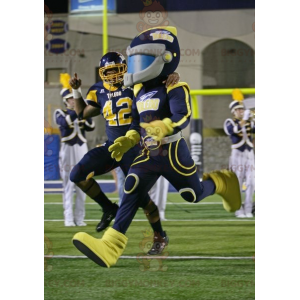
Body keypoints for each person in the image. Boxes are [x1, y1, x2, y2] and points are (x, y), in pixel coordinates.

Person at [72, 26, 242, 268]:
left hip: (172, 151)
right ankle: (109, 246)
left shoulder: (174, 86)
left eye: (144, 60)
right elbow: (134, 122)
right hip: (147, 152)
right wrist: (129, 139)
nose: (137, 66)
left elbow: (183, 116)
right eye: (136, 60)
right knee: (131, 188)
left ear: (165, 59)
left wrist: (165, 126)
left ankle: (221, 182)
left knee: (191, 194)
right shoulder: (139, 91)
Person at [68, 52, 180, 235]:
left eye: (116, 70)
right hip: (112, 147)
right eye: (109, 71)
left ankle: (159, 234)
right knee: (77, 174)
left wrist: (172, 75)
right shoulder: (98, 90)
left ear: (125, 69)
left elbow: (162, 83)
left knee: (142, 199)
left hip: (136, 150)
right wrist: (76, 91)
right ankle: (108, 208)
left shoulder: (137, 84)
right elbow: (82, 113)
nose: (113, 75)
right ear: (102, 72)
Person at [54, 73, 95, 226]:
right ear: (65, 100)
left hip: (82, 148)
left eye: (74, 98)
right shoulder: (59, 113)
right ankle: (68, 218)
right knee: (68, 184)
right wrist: (78, 110)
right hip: (68, 150)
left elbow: (91, 126)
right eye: (71, 99)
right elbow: (65, 122)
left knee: (84, 183)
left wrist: (83, 110)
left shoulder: (79, 112)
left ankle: (79, 218)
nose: (73, 101)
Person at [223, 89, 255, 218]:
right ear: (233, 112)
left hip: (250, 154)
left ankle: (248, 209)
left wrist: (254, 117)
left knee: (252, 182)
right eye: (238, 110)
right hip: (237, 155)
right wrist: (245, 119)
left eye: (242, 109)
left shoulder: (249, 121)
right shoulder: (229, 122)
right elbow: (234, 131)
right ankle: (238, 209)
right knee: (238, 182)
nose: (241, 111)